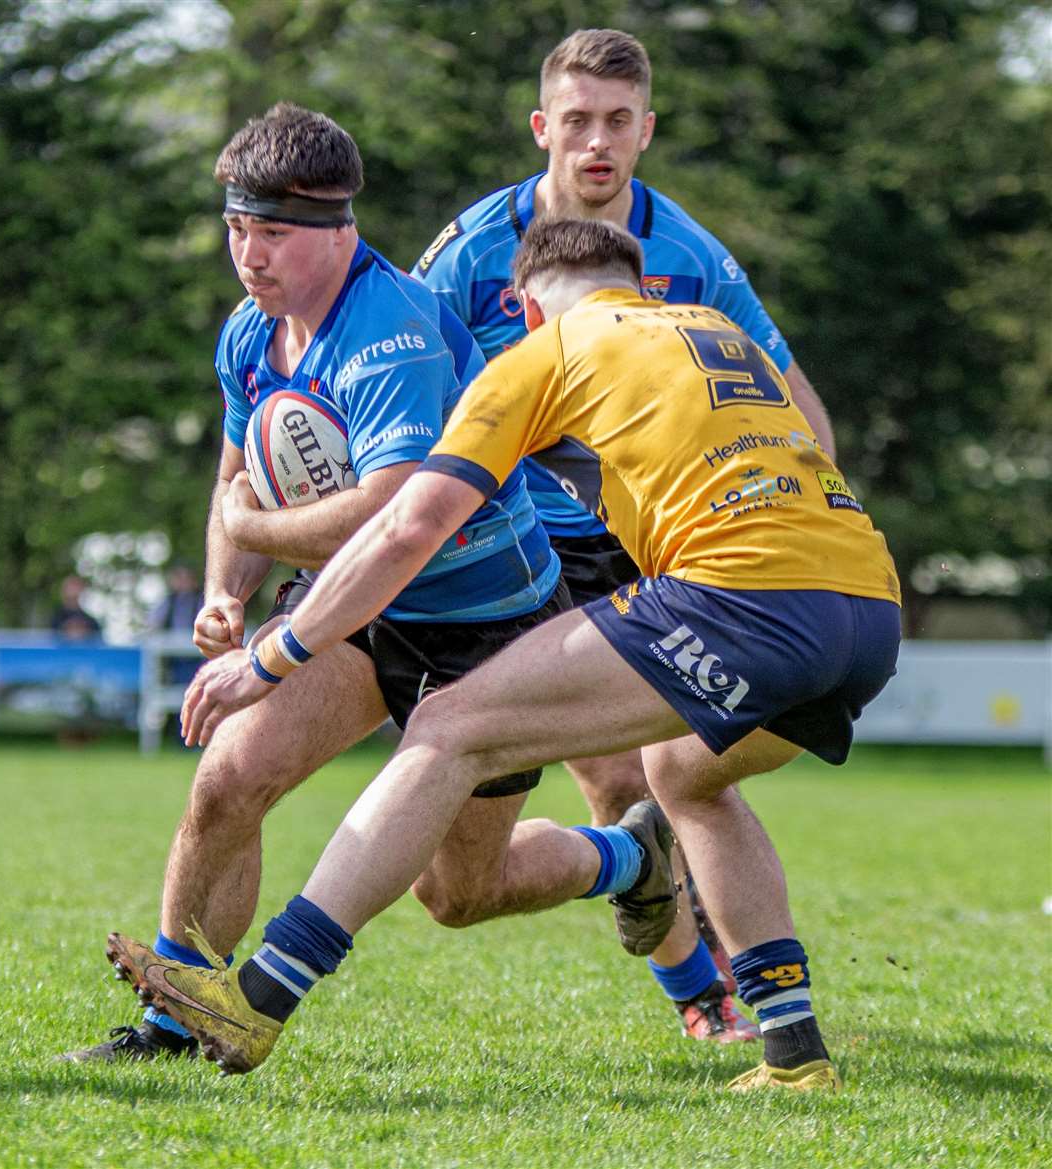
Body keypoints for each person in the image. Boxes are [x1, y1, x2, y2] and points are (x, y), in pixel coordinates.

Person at [107, 219, 902, 1094]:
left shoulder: (543, 351)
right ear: (641, 288)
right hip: (868, 605)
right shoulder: (714, 331)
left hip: (742, 596)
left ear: (523, 306)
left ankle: (257, 997)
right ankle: (795, 1053)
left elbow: (409, 520)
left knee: (452, 724)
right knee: (687, 775)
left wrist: (271, 655)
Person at [63, 106, 677, 1064]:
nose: (249, 256)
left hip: (487, 623)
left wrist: (248, 536)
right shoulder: (249, 335)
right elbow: (238, 477)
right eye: (236, 229)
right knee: (230, 775)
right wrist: (227, 593)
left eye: (273, 233)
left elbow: (383, 510)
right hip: (358, 608)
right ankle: (173, 1022)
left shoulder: (390, 332)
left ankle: (629, 855)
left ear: (340, 227)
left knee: (458, 895)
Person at [410, 27, 833, 1041]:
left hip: (643, 538)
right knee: (516, 842)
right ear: (541, 125)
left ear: (646, 129)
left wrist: (801, 501)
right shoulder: (469, 251)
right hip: (505, 543)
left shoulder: (689, 254)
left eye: (617, 123)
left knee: (641, 772)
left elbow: (790, 397)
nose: (595, 142)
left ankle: (711, 994)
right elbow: (409, 393)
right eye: (576, 121)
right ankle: (700, 964)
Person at [50, 575, 101, 641]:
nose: (73, 590)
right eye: (70, 587)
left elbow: (97, 640)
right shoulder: (55, 619)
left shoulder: (91, 621)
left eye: (76, 586)